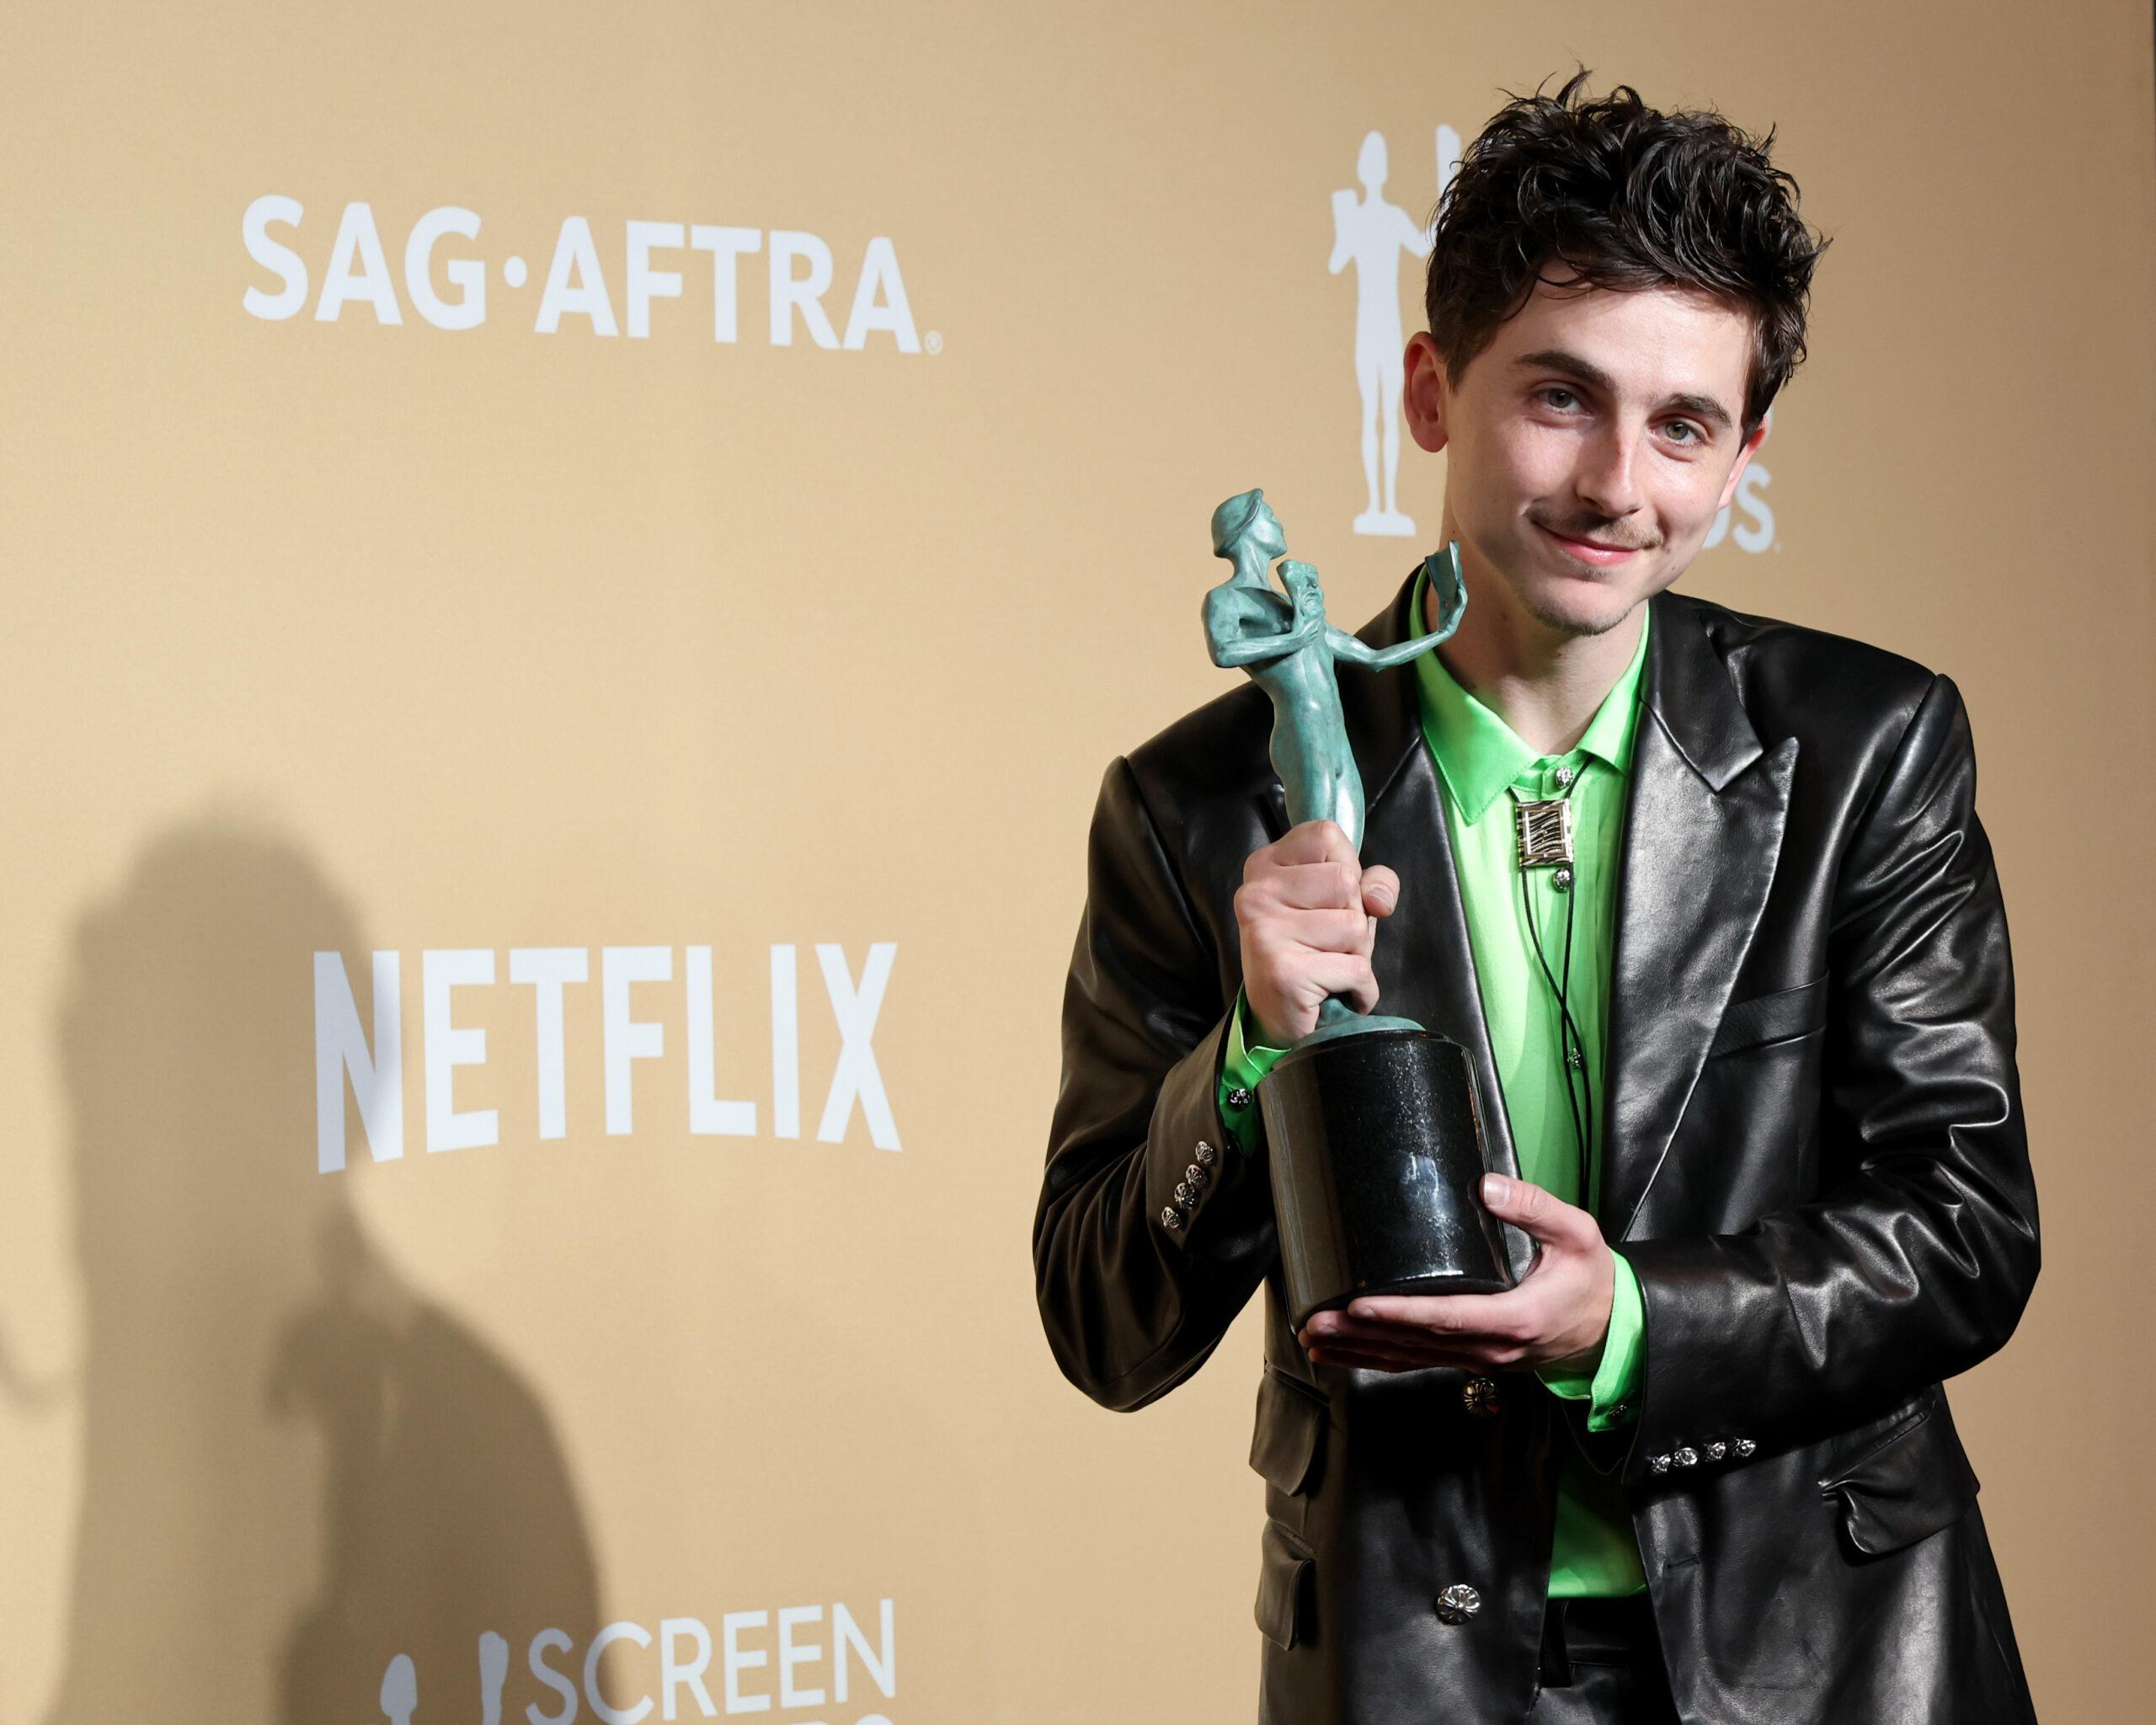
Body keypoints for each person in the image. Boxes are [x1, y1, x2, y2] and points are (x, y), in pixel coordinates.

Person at [1034, 72, 2039, 1724]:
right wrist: (1247, 1053)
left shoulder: (1869, 746)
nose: (1617, 484)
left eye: (1683, 425)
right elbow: (1102, 1324)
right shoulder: (1200, 804)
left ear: (1743, 452)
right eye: (1561, 398)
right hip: (1415, 1662)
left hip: (1831, 1648)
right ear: (1430, 390)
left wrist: (1629, 1319)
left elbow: (1964, 1227)